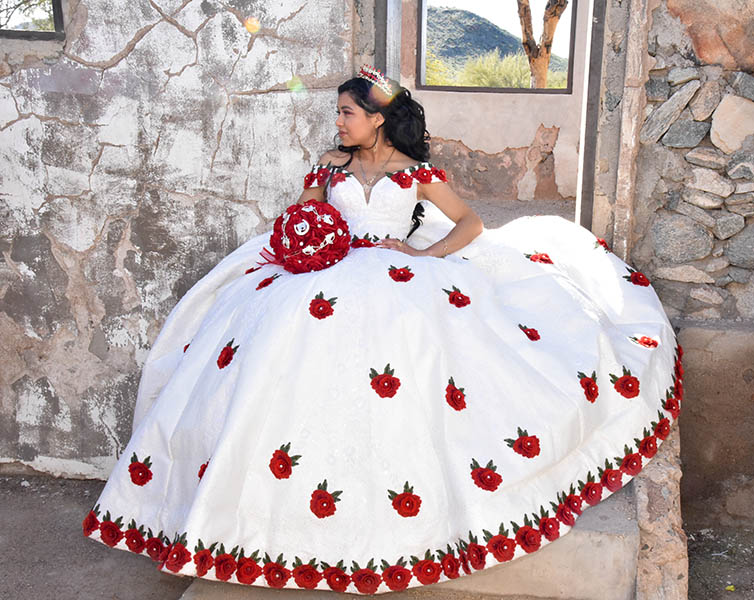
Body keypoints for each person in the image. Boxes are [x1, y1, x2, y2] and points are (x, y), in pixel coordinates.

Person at [82, 65, 683, 595]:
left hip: (400, 271)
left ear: (377, 118)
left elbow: (471, 224)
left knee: (416, 350)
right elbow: (299, 220)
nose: (338, 122)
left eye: (347, 112)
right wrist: (303, 242)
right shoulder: (329, 166)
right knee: (275, 343)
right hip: (326, 270)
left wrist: (427, 256)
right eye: (338, 113)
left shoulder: (418, 174)